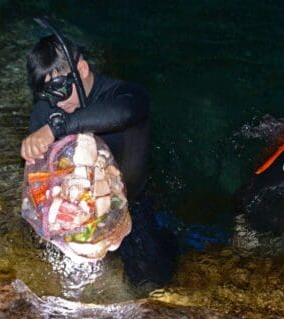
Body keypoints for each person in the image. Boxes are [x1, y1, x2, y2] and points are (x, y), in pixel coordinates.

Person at [20, 20, 175, 286]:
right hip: (78, 207)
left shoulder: (125, 94)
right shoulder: (47, 109)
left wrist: (57, 127)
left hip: (132, 203)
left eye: (59, 90)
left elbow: (126, 112)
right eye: (46, 96)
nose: (55, 104)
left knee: (151, 282)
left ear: (81, 69)